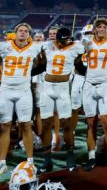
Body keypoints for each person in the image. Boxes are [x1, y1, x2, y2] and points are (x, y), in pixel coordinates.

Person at [0, 22, 44, 175]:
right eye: (20, 30)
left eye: (26, 31)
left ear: (29, 35)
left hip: (24, 90)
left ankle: (30, 161)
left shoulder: (35, 47)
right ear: (15, 33)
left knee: (26, 125)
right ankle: (2, 162)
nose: (22, 33)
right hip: (6, 89)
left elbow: (42, 63)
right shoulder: (3, 47)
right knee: (5, 126)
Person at [80, 17, 107, 170]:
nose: (102, 29)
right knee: (90, 123)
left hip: (106, 84)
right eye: (99, 26)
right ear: (95, 29)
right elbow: (77, 59)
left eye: (104, 26)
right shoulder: (87, 41)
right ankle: (91, 156)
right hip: (89, 84)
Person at [37, 27, 83, 172]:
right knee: (45, 124)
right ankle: (47, 160)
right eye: (60, 40)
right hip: (47, 88)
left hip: (63, 88)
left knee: (66, 124)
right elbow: (40, 63)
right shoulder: (47, 46)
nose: (62, 43)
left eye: (65, 40)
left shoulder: (77, 47)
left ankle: (70, 159)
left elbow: (81, 62)